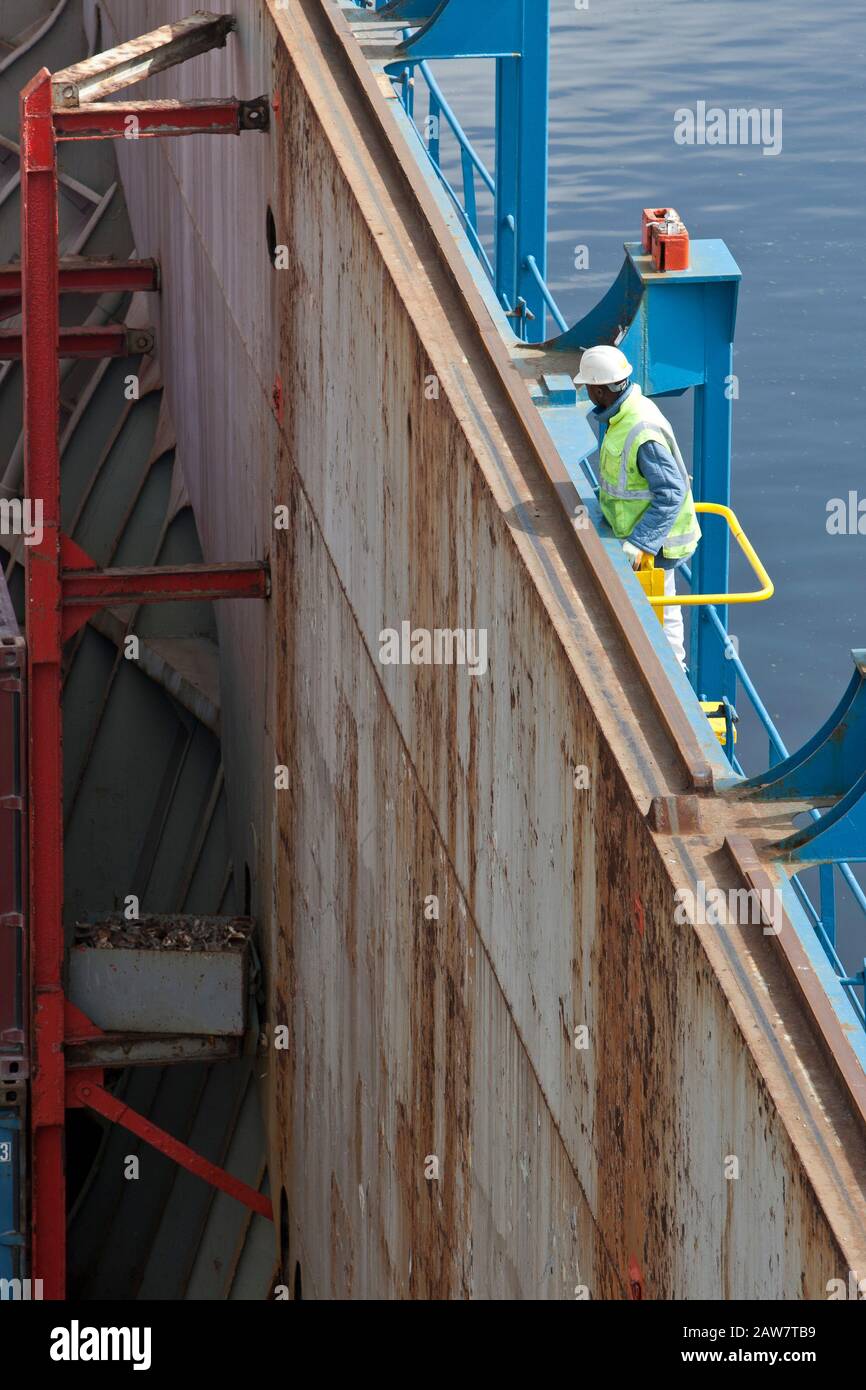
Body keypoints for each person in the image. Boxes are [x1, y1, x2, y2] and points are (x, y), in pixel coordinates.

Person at [573, 344, 700, 670]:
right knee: (649, 606)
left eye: (587, 386)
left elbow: (671, 493)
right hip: (636, 534)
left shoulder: (640, 429)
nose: (586, 392)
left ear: (600, 389)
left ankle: (674, 673)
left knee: (662, 609)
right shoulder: (625, 414)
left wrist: (641, 544)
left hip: (655, 545)